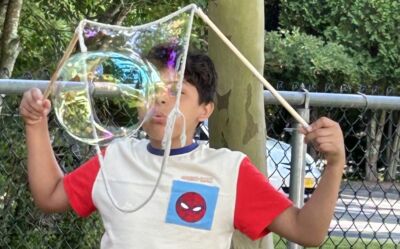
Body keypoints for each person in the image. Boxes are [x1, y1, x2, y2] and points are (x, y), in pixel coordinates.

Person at [20, 47, 345, 248]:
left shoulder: (229, 171)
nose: (160, 99)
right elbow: (50, 195)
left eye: (178, 91)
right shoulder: (114, 158)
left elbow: (308, 231)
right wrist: (35, 125)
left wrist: (334, 165)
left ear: (205, 111)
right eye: (152, 89)